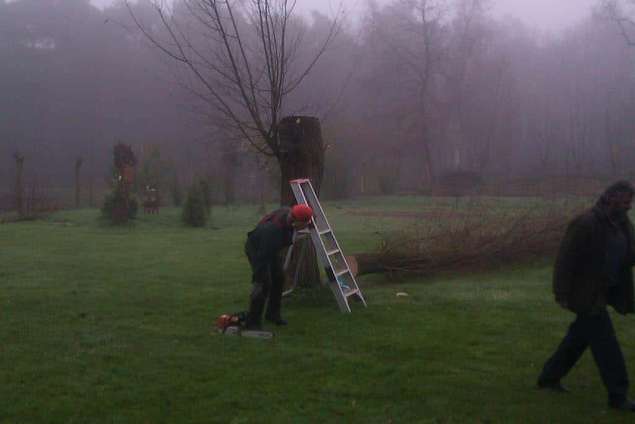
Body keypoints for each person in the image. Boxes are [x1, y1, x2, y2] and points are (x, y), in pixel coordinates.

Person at [537, 180, 635, 412]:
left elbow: (630, 252)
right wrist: (561, 292)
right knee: (606, 344)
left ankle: (549, 377)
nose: (628, 205)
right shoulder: (586, 223)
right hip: (585, 294)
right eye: (625, 200)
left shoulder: (622, 224)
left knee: (579, 337)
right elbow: (565, 260)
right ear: (610, 198)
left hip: (606, 290)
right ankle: (618, 396)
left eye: (630, 201)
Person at [244, 204, 313, 330]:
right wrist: (258, 278)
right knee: (263, 283)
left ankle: (272, 314)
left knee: (279, 278)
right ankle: (252, 322)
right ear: (296, 221)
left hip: (268, 248)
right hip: (257, 249)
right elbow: (263, 257)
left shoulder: (289, 215)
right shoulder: (273, 231)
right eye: (305, 223)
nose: (306, 226)